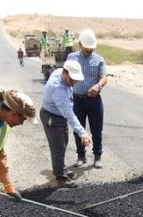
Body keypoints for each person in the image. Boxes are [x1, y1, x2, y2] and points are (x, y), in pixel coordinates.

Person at [40, 60, 91, 188]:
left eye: (76, 79)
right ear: (65, 73)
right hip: (51, 117)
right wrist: (82, 132)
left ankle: (61, 169)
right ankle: (60, 177)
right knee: (58, 147)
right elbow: (69, 114)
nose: (74, 82)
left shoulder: (60, 72)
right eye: (72, 79)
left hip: (59, 115)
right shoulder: (57, 88)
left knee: (63, 144)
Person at [66, 29, 108, 169]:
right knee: (78, 129)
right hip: (77, 100)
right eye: (86, 49)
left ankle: (97, 156)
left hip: (94, 101)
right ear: (80, 45)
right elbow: (65, 76)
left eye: (91, 49)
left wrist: (98, 86)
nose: (89, 51)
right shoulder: (71, 58)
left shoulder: (99, 59)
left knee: (96, 129)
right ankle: (81, 156)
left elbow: (104, 77)